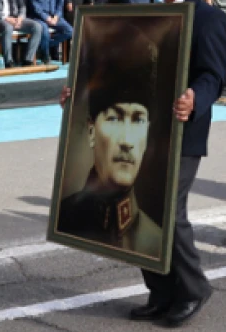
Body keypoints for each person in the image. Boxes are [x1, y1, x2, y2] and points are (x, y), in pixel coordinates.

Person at [137, 0, 226, 327]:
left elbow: (214, 75)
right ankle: (160, 291)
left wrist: (195, 97)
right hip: (144, 129)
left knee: (168, 212)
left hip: (182, 131)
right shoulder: (147, 14)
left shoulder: (210, 18)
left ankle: (193, 288)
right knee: (143, 210)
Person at [57, 24, 164, 253]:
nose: (126, 141)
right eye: (114, 119)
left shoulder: (155, 241)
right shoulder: (63, 219)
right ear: (92, 130)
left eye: (137, 121)